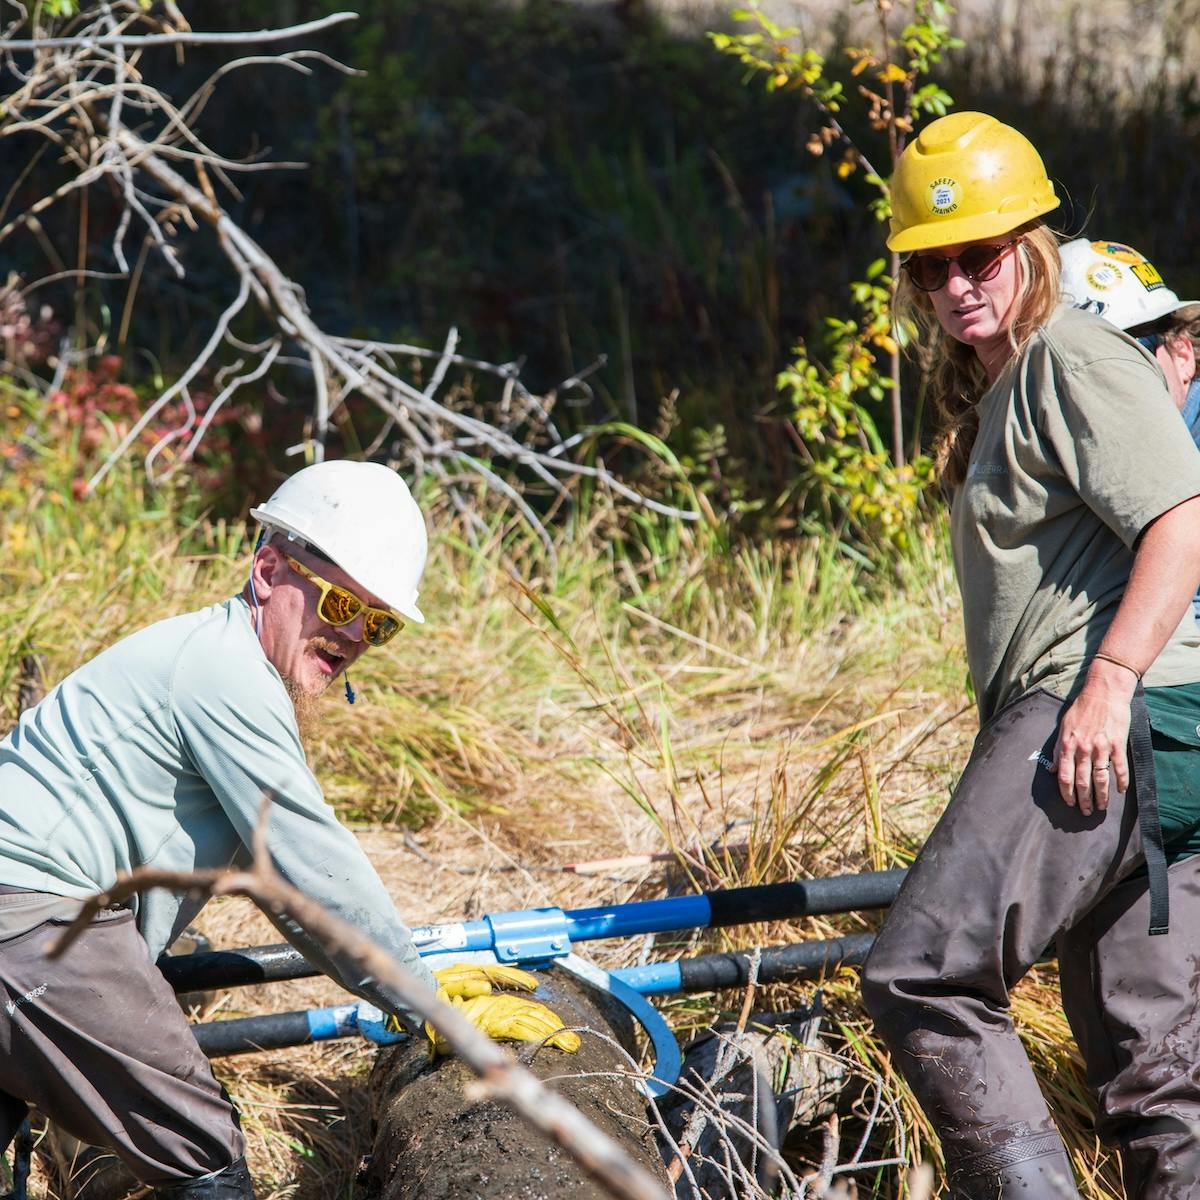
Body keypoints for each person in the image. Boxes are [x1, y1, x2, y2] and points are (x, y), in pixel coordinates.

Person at [0, 460, 571, 1200]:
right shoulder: (223, 670)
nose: (354, 634)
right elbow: (306, 869)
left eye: (380, 623)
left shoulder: (211, 657)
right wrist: (423, 1002)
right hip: (32, 919)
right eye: (340, 602)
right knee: (200, 1146)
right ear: (268, 569)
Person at [860, 111, 1200, 1199]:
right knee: (1156, 1067)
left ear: (1035, 246)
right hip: (1170, 745)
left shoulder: (1070, 353)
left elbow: (1183, 518)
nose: (959, 283)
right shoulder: (1009, 381)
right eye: (933, 267)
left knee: (924, 974)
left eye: (982, 255)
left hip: (1110, 720)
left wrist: (1106, 686)